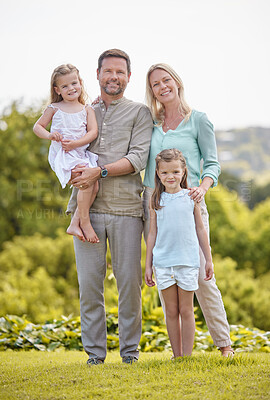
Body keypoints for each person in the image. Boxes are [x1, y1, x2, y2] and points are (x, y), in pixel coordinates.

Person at [66, 49, 153, 365]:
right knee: (90, 286)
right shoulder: (83, 111)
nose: (114, 77)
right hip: (84, 212)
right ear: (98, 74)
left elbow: (138, 159)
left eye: (120, 72)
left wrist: (98, 171)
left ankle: (130, 354)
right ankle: (94, 356)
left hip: (127, 210)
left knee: (129, 286)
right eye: (108, 71)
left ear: (128, 77)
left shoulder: (139, 113)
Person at [143, 63, 234, 357]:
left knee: (202, 279)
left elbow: (212, 163)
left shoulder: (199, 120)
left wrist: (202, 188)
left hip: (189, 203)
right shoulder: (151, 123)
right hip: (155, 203)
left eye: (166, 80)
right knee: (164, 273)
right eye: (155, 84)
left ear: (177, 82)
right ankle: (178, 351)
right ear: (152, 91)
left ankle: (224, 344)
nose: (162, 87)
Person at [145, 149, 214, 357]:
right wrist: (148, 265)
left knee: (186, 310)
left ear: (183, 172)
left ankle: (187, 356)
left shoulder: (191, 198)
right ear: (157, 173)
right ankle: (177, 356)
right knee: (171, 312)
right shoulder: (156, 200)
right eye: (165, 173)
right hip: (163, 263)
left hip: (187, 263)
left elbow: (201, 230)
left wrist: (208, 260)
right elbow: (152, 234)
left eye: (175, 171)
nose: (170, 177)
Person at [33, 64, 99, 243]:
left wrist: (76, 143)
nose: (71, 88)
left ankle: (75, 222)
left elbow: (93, 132)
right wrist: (50, 135)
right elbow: (37, 127)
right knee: (85, 182)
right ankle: (84, 223)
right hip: (63, 155)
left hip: (79, 153)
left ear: (80, 83)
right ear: (57, 90)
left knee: (94, 185)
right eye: (65, 86)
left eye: (74, 83)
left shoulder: (87, 109)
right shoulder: (54, 108)